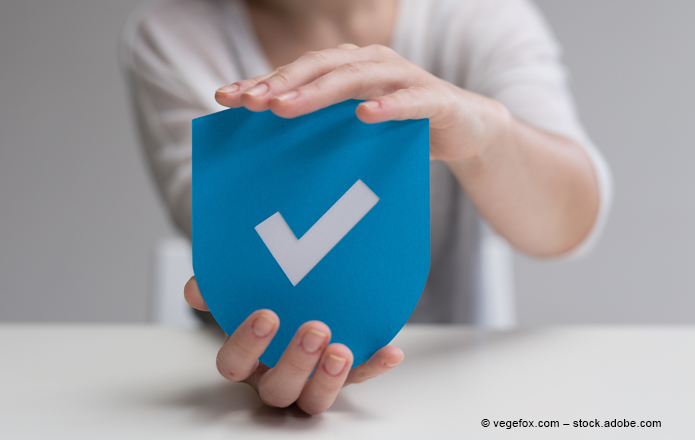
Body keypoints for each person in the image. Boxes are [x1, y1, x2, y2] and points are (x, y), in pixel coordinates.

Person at [120, 0, 612, 415]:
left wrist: (484, 133)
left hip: (452, 393)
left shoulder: (479, 16)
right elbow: (223, 241)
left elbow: (571, 225)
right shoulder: (173, 33)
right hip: (248, 397)